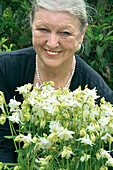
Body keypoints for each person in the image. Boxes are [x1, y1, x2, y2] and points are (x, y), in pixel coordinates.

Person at [0, 0, 113, 168]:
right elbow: (3, 150)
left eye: (65, 33)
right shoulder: (5, 69)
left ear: (82, 34)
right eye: (43, 29)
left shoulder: (100, 96)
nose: (52, 43)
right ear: (31, 26)